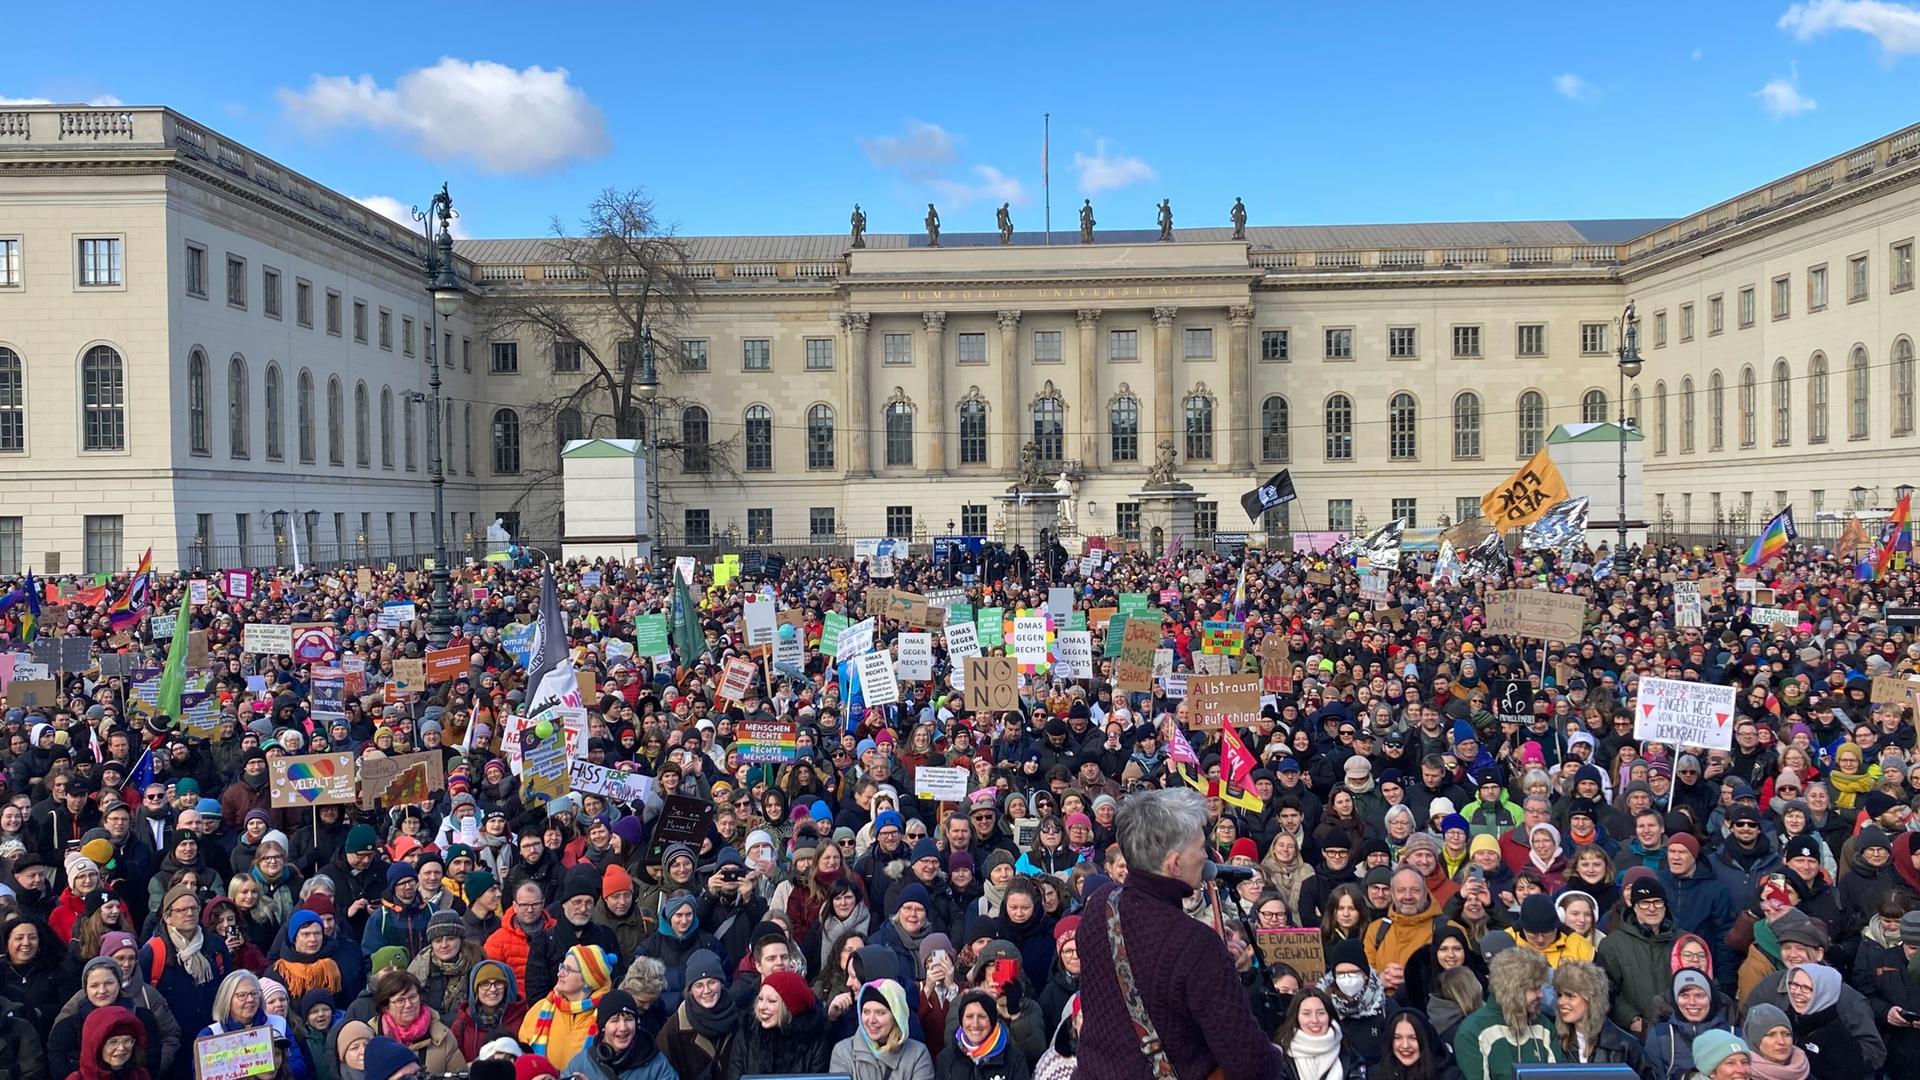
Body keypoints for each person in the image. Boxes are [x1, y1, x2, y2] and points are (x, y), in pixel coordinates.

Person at [1075, 788, 1283, 1079]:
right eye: (1200, 848)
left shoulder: (1100, 904)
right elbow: (1248, 1061)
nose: (1207, 856)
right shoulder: (1196, 944)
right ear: (1174, 864)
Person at [1453, 948, 1556, 1080]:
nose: (1540, 994)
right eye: (1533, 989)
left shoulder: (1545, 1026)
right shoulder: (1472, 1031)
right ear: (1512, 991)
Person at [722, 969, 831, 1078]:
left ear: (791, 1007)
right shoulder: (747, 1034)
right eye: (760, 999)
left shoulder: (815, 1042)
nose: (762, 1007)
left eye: (772, 1001)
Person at [517, 945, 610, 1069]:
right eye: (562, 967)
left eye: (568, 970)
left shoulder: (606, 1015)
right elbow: (522, 1058)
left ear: (588, 980)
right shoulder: (540, 1009)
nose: (560, 973)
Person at [829, 978, 935, 1080]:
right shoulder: (843, 1052)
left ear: (896, 1016)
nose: (871, 1020)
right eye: (866, 1012)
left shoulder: (918, 1055)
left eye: (880, 1013)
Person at [1550, 960, 1646, 1071]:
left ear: (1593, 1000)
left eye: (1570, 996)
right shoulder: (1553, 1039)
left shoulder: (1625, 1045)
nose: (1561, 1002)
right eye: (1559, 995)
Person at [560, 990, 674, 1080]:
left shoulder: (657, 1065)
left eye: (629, 1019)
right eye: (614, 1020)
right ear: (603, 1026)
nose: (623, 1027)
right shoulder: (580, 1064)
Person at [657, 950, 735, 1080]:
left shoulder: (739, 1019)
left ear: (721, 983)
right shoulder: (674, 1029)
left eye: (712, 982)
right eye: (699, 985)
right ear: (690, 990)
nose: (707, 990)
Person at [367, 971, 463, 1075]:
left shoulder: (442, 1035)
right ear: (386, 1007)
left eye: (413, 997)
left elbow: (460, 1075)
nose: (408, 1005)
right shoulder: (370, 1036)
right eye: (400, 1001)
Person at [1645, 968, 1732, 1080]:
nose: (1692, 1002)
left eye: (1700, 995)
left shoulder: (1732, 1034)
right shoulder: (1660, 1035)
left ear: (1710, 999)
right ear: (1676, 1000)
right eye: (1684, 996)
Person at [1782, 964, 1860, 1080]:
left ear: (1825, 993)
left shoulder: (1843, 1043)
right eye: (1794, 985)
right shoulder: (1781, 1022)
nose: (1797, 992)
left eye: (1807, 988)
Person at [933, 990, 1028, 1080]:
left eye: (982, 1017)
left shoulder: (1014, 1059)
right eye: (969, 1016)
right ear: (961, 1020)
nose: (975, 1024)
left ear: (992, 1021)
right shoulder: (946, 1058)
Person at [1275, 987, 1364, 1080]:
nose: (1315, 1020)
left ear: (1329, 1016)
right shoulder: (1281, 1055)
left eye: (1321, 1013)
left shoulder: (1348, 1051)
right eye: (1306, 1013)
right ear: (1296, 1017)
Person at [1373, 1007, 1463, 1080]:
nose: (1405, 1045)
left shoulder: (1449, 1075)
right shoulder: (1376, 1075)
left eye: (1413, 1038)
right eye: (1397, 1038)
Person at [66, 1006, 147, 1080]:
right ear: (97, 1046)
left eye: (127, 1041)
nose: (121, 1048)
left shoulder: (140, 1075)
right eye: (113, 1042)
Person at [1741, 1003, 1809, 1080]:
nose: (1781, 1042)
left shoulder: (1804, 1071)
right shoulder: (1739, 1075)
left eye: (1786, 1034)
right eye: (1771, 1035)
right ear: (1754, 1040)